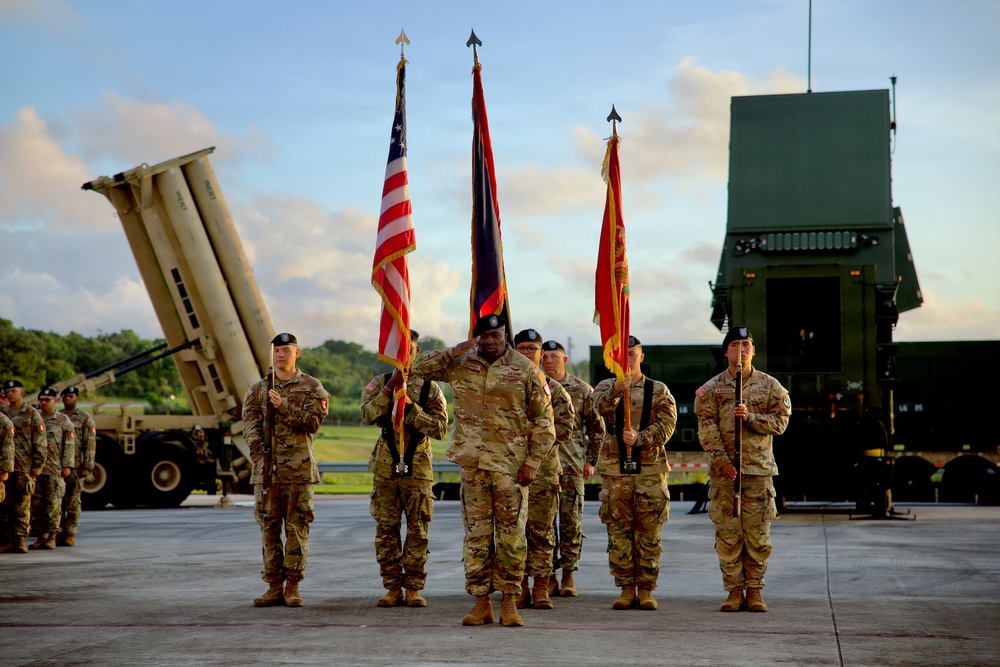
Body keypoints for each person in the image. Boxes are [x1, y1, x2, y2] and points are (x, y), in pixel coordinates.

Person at [410, 314, 555, 628]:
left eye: (496, 335)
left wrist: (533, 463)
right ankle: (481, 603)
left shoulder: (526, 369)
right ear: (476, 337)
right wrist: (454, 350)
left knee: (512, 538)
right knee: (476, 538)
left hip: (511, 468)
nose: (490, 341)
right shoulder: (461, 362)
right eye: (484, 337)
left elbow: (545, 422)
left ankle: (509, 602)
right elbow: (416, 367)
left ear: (505, 334)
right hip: (473, 466)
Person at [694, 326, 791, 613]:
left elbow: (780, 422)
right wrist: (722, 461)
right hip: (725, 474)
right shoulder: (711, 389)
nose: (742, 350)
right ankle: (735, 592)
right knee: (728, 535)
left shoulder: (770, 386)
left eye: (746, 344)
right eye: (735, 344)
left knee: (758, 537)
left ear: (753, 351)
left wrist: (751, 418)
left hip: (758, 472)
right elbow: (706, 428)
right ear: (726, 352)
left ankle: (756, 591)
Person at [588, 335, 676, 611]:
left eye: (632, 353)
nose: (627, 359)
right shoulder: (604, 386)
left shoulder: (658, 390)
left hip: (649, 469)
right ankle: (626, 588)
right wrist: (617, 388)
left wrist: (640, 437)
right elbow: (596, 409)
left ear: (641, 356)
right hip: (615, 470)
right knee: (619, 531)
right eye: (621, 354)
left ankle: (647, 589)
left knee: (649, 531)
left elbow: (667, 425)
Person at [360, 330, 448, 608]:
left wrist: (411, 408)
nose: (403, 355)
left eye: (407, 350)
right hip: (385, 467)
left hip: (417, 467)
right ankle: (392, 587)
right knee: (386, 530)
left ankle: (413, 586)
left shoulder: (429, 389)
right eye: (397, 350)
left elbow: (441, 429)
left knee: (418, 529)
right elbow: (367, 414)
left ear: (416, 350)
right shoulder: (380, 383)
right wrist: (391, 389)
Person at [242, 333, 329, 608]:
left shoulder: (312, 387)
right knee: (268, 529)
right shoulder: (259, 389)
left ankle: (293, 586)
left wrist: (284, 405)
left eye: (286, 350)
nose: (280, 355)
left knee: (297, 529)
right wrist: (260, 457)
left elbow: (313, 423)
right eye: (276, 351)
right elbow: (249, 425)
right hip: (268, 472)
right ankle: (273, 586)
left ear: (297, 353)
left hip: (298, 471)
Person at [512, 329, 574, 611]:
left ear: (540, 355)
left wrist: (533, 435)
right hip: (510, 470)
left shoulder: (555, 390)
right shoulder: (506, 386)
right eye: (521, 348)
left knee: (541, 532)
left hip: (544, 470)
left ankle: (541, 588)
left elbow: (564, 430)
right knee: (514, 533)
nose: (527, 354)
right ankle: (519, 587)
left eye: (532, 349)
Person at [541, 339, 605, 597]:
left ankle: (568, 575)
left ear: (564, 359)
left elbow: (598, 428)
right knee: (542, 526)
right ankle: (548, 575)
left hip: (571, 467)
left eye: (554, 356)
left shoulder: (581, 389)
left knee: (570, 523)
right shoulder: (533, 386)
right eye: (544, 356)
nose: (548, 360)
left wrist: (590, 460)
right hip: (541, 468)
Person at [0, 380, 46, 554]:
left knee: (22, 505)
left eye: (13, 391)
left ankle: (19, 540)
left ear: (22, 392)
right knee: (4, 506)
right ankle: (7, 540)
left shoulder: (32, 414)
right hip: (5, 466)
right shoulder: (2, 413)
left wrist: (36, 469)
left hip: (23, 466)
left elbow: (40, 444)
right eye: (7, 391)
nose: (9, 394)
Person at [30, 387, 75, 550]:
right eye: (41, 399)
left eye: (47, 400)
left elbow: (69, 445)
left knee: (53, 505)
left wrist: (67, 465)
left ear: (55, 401)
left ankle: (52, 536)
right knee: (36, 505)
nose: (43, 402)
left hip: (55, 469)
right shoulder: (34, 418)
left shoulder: (63, 420)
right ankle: (40, 536)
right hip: (36, 469)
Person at [58, 386, 97, 546]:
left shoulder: (85, 418)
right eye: (65, 396)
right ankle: (58, 532)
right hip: (58, 467)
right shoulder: (57, 416)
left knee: (73, 502)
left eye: (71, 396)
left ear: (77, 398)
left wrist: (87, 465)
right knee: (57, 503)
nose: (67, 398)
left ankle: (70, 533)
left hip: (76, 466)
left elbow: (90, 444)